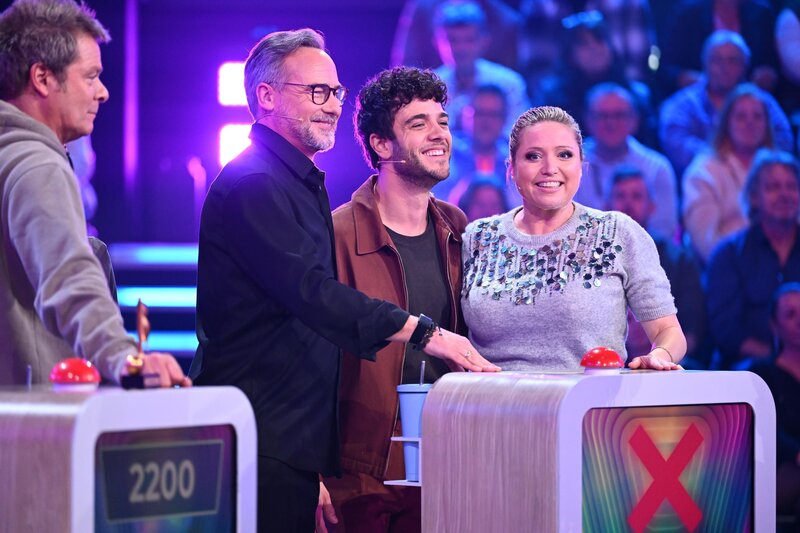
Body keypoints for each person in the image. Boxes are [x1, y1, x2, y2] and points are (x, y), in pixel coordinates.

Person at [191, 30, 498, 533]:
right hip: (266, 437)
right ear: (266, 96)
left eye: (336, 92)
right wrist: (424, 332)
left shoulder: (298, 181)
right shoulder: (256, 182)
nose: (333, 105)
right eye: (317, 92)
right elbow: (312, 294)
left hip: (299, 441)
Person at [0, 0, 190, 387]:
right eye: (90, 77)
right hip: (27, 415)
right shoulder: (38, 165)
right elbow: (69, 277)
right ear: (42, 78)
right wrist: (124, 357)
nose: (102, 92)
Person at [324, 66, 469, 533]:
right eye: (418, 124)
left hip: (445, 459)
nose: (439, 134)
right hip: (359, 472)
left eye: (442, 121)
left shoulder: (458, 227)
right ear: (381, 145)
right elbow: (304, 359)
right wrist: (312, 471)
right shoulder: (336, 233)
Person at [461, 106, 686, 371]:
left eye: (564, 155)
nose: (550, 168)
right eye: (533, 156)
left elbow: (668, 332)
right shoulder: (478, 237)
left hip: (587, 396)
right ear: (511, 168)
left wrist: (659, 356)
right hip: (490, 395)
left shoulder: (617, 232)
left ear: (581, 167)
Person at [706, 149, 800, 369]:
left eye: (791, 186)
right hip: (748, 372)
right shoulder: (729, 255)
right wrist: (781, 362)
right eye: (773, 187)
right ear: (754, 197)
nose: (784, 194)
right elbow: (726, 331)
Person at [607, 167, 708, 368]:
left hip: (666, 360)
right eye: (620, 196)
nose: (628, 204)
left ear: (652, 206)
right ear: (605, 207)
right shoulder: (595, 258)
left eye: (637, 196)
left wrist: (661, 353)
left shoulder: (678, 260)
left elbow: (693, 329)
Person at [659, 30, 792, 178]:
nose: (724, 67)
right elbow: (676, 144)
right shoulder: (681, 104)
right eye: (717, 60)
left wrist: (749, 163)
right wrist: (727, 162)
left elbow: (783, 140)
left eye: (732, 61)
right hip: (702, 178)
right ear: (705, 63)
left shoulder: (763, 101)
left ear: (745, 65)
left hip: (759, 179)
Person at [682, 83, 776, 263]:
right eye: (741, 116)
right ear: (726, 123)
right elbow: (705, 243)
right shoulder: (704, 172)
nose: (750, 123)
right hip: (727, 267)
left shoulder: (781, 171)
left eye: (757, 116)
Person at [532, 11, 656, 147]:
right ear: (570, 53)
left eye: (599, 40)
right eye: (583, 43)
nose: (594, 49)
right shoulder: (552, 100)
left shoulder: (636, 95)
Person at [577, 83, 678, 240]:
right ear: (588, 120)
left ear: (634, 120)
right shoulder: (568, 165)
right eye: (603, 116)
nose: (611, 124)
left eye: (619, 115)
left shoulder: (657, 168)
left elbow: (664, 230)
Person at [744, 283, 800, 522]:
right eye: (791, 314)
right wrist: (796, 454)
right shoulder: (762, 374)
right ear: (774, 326)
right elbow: (763, 430)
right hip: (779, 466)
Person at [432, 0, 530, 135]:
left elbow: (522, 134)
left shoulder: (509, 84)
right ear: (437, 43)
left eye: (469, 40)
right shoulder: (429, 87)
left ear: (484, 41)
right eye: (452, 40)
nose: (461, 49)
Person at [431, 84, 519, 207]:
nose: (486, 121)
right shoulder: (443, 156)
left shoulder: (515, 163)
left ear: (504, 119)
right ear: (466, 116)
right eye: (480, 113)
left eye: (493, 115)